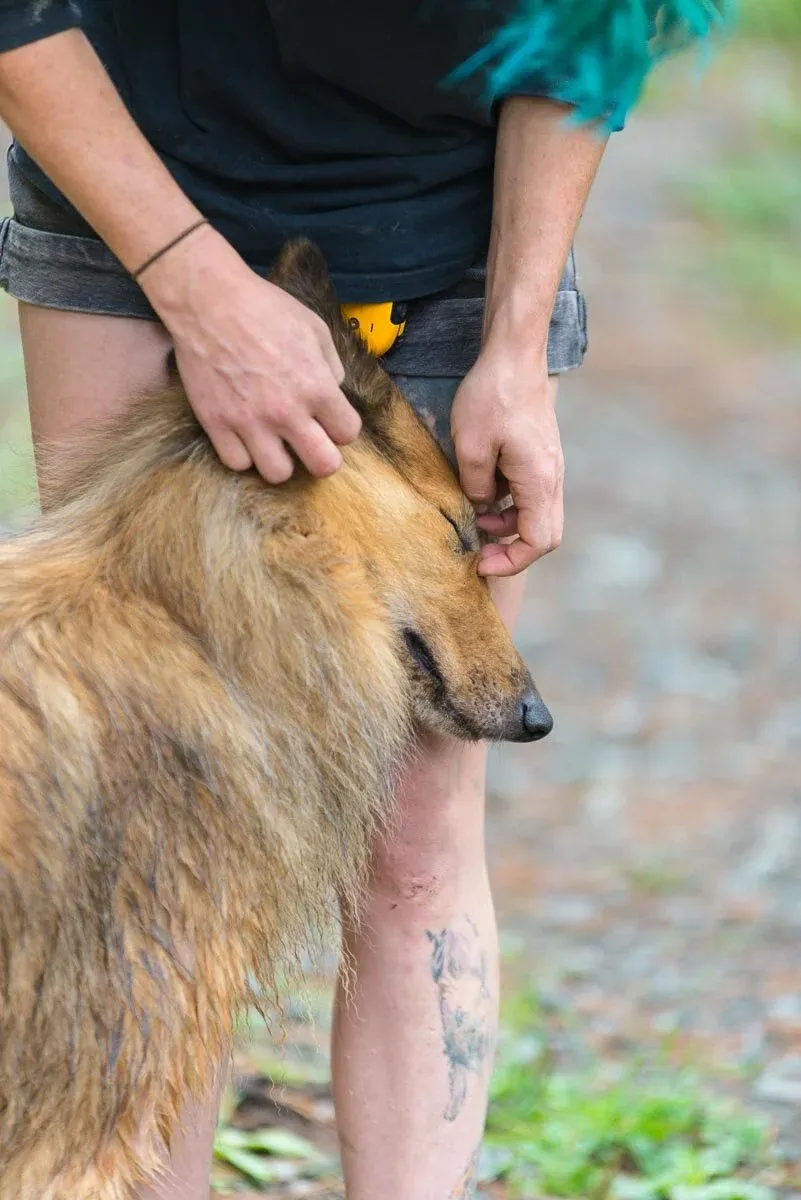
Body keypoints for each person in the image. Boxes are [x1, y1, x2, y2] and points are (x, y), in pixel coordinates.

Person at [0, 2, 722, 1196]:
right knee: (134, 819)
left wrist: (518, 341)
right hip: (127, 178)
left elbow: (596, 18)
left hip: (448, 218)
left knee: (416, 831)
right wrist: (191, 282)